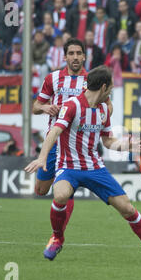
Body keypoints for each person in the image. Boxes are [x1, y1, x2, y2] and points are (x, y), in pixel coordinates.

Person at [25, 65, 141, 264]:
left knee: (127, 209)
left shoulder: (103, 110)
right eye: (110, 89)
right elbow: (54, 132)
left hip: (95, 168)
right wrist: (42, 158)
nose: (110, 92)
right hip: (68, 167)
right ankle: (57, 238)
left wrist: (128, 145)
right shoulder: (72, 105)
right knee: (60, 195)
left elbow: (108, 142)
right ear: (103, 87)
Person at [33, 38, 112, 248]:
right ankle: (65, 196)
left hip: (77, 145)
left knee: (65, 190)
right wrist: (45, 108)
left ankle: (57, 237)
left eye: (79, 53)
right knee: (40, 190)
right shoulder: (53, 78)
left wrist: (96, 113)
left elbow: (108, 105)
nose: (75, 57)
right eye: (71, 53)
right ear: (65, 56)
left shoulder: (92, 79)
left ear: (84, 56)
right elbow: (35, 106)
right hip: (54, 139)